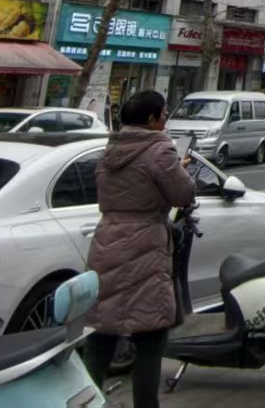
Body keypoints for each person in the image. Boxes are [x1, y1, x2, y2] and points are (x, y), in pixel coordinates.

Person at [86, 90, 198, 407]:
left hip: (106, 241)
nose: (165, 119)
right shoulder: (160, 149)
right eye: (163, 114)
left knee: (101, 332)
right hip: (145, 244)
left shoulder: (111, 149)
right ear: (151, 119)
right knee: (151, 335)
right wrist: (180, 169)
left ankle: (87, 399)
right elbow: (183, 194)